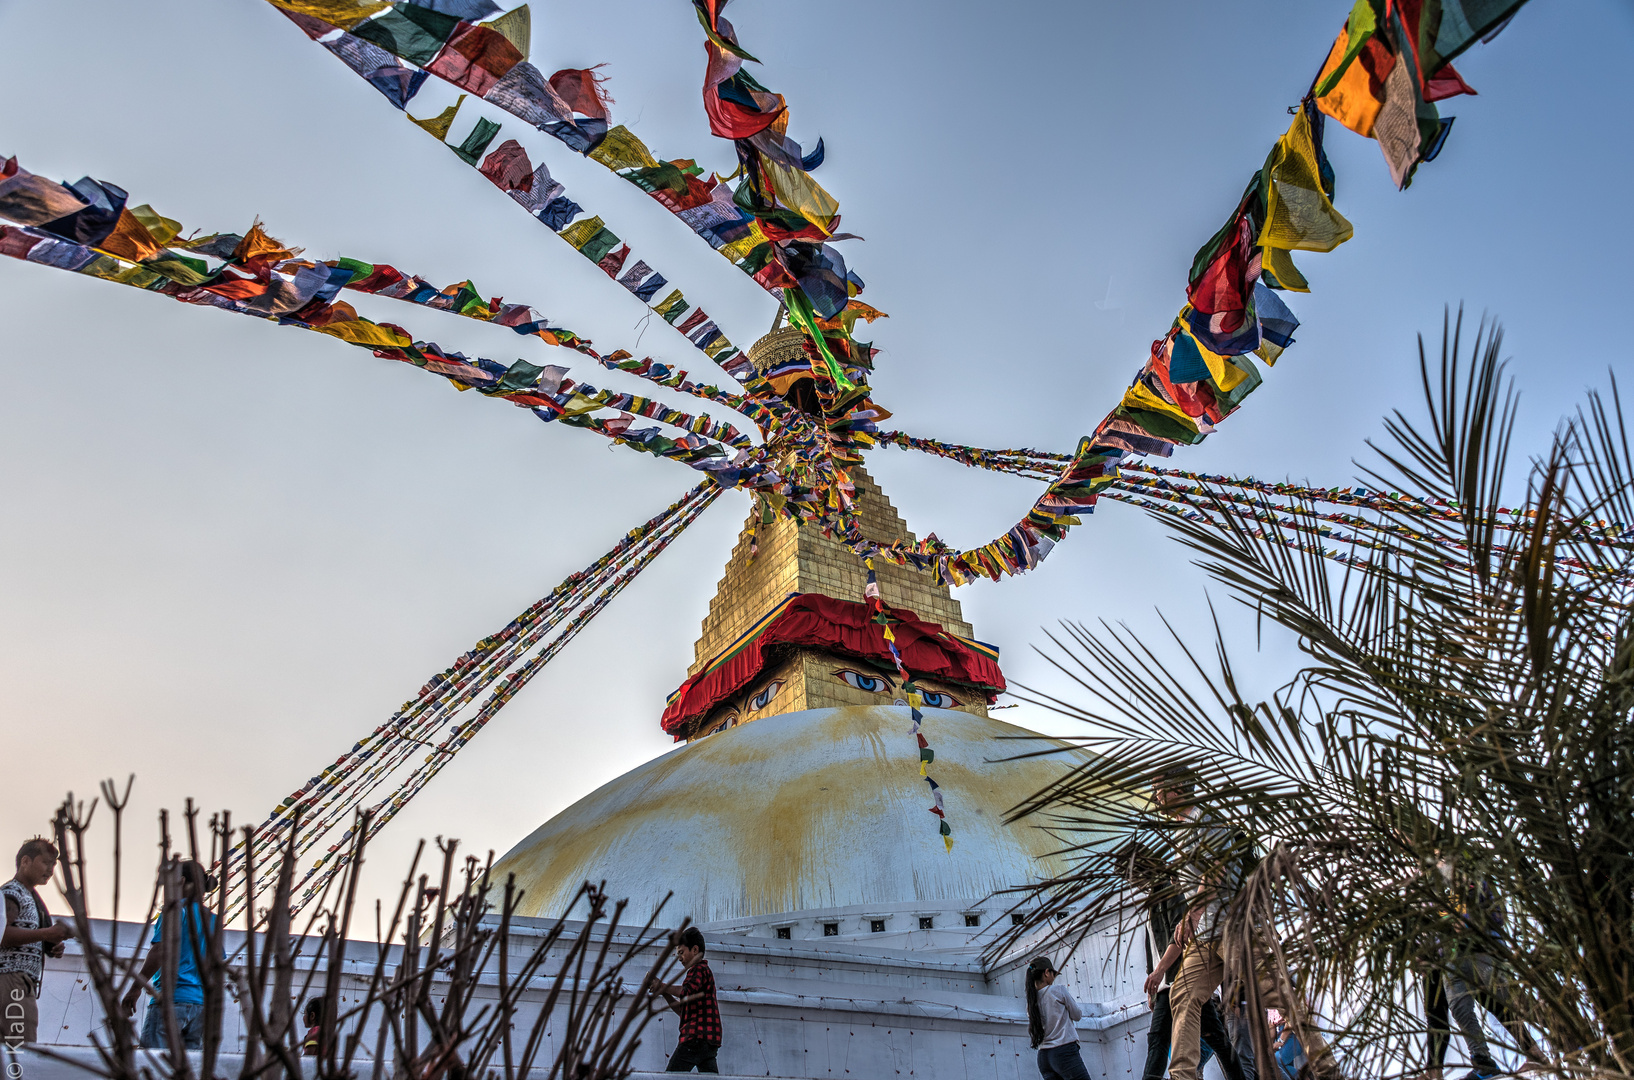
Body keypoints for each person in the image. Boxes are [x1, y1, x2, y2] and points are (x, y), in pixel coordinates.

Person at [1155, 771, 1338, 1080]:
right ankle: (1184, 1076)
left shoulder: (1207, 819)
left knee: (1277, 993)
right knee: (1182, 994)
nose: (1155, 795)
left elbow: (1217, 870)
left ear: (1176, 788)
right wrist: (1163, 965)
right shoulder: (1180, 832)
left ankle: (1327, 1069)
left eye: (1158, 788)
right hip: (1205, 938)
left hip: (1234, 929)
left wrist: (1193, 912)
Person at [1119, 845, 1247, 1080]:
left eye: (1132, 875)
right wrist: (1153, 986)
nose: (1132, 882)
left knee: (1160, 1039)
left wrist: (1159, 973)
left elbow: (1179, 936)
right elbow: (1153, 949)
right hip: (1167, 984)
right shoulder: (1153, 901)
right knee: (1214, 1039)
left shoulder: (1170, 891)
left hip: (1180, 977)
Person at [1423, 854, 1546, 1080]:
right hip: (1449, 958)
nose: (1439, 862)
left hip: (1479, 951)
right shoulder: (1434, 889)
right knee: (1460, 1008)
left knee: (1499, 1004)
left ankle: (1537, 1053)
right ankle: (1482, 1062)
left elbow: (1496, 916)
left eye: (1442, 857)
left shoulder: (1474, 882)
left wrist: (1468, 921)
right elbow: (1430, 925)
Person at [120, 860, 220, 1050]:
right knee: (190, 1068)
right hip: (200, 1005)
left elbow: (160, 950)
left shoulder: (174, 911)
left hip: (171, 1001)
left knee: (156, 1064)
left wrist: (136, 987)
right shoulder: (212, 919)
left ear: (181, 882)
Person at [2, 839, 75, 1047]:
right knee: (18, 1049)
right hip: (13, 980)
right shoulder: (12, 893)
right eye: (45, 862)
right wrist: (47, 933)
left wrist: (51, 944)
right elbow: (3, 935)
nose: (50, 871)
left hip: (19, 981)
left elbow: (30, 934)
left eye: (53, 865)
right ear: (25, 861)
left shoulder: (30, 896)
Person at [655, 927, 720, 1073]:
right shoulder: (702, 973)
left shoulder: (699, 969)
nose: (679, 958)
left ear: (695, 950)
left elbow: (685, 992)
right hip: (709, 1041)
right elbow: (682, 1010)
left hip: (695, 1038)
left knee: (671, 1076)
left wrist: (662, 985)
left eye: (681, 952)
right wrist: (664, 992)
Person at [1026, 956, 1091, 1080]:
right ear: (1046, 973)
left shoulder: (1030, 1002)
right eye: (1052, 973)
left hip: (1044, 1057)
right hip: (1064, 1051)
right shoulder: (1057, 991)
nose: (1053, 977)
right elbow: (1077, 1015)